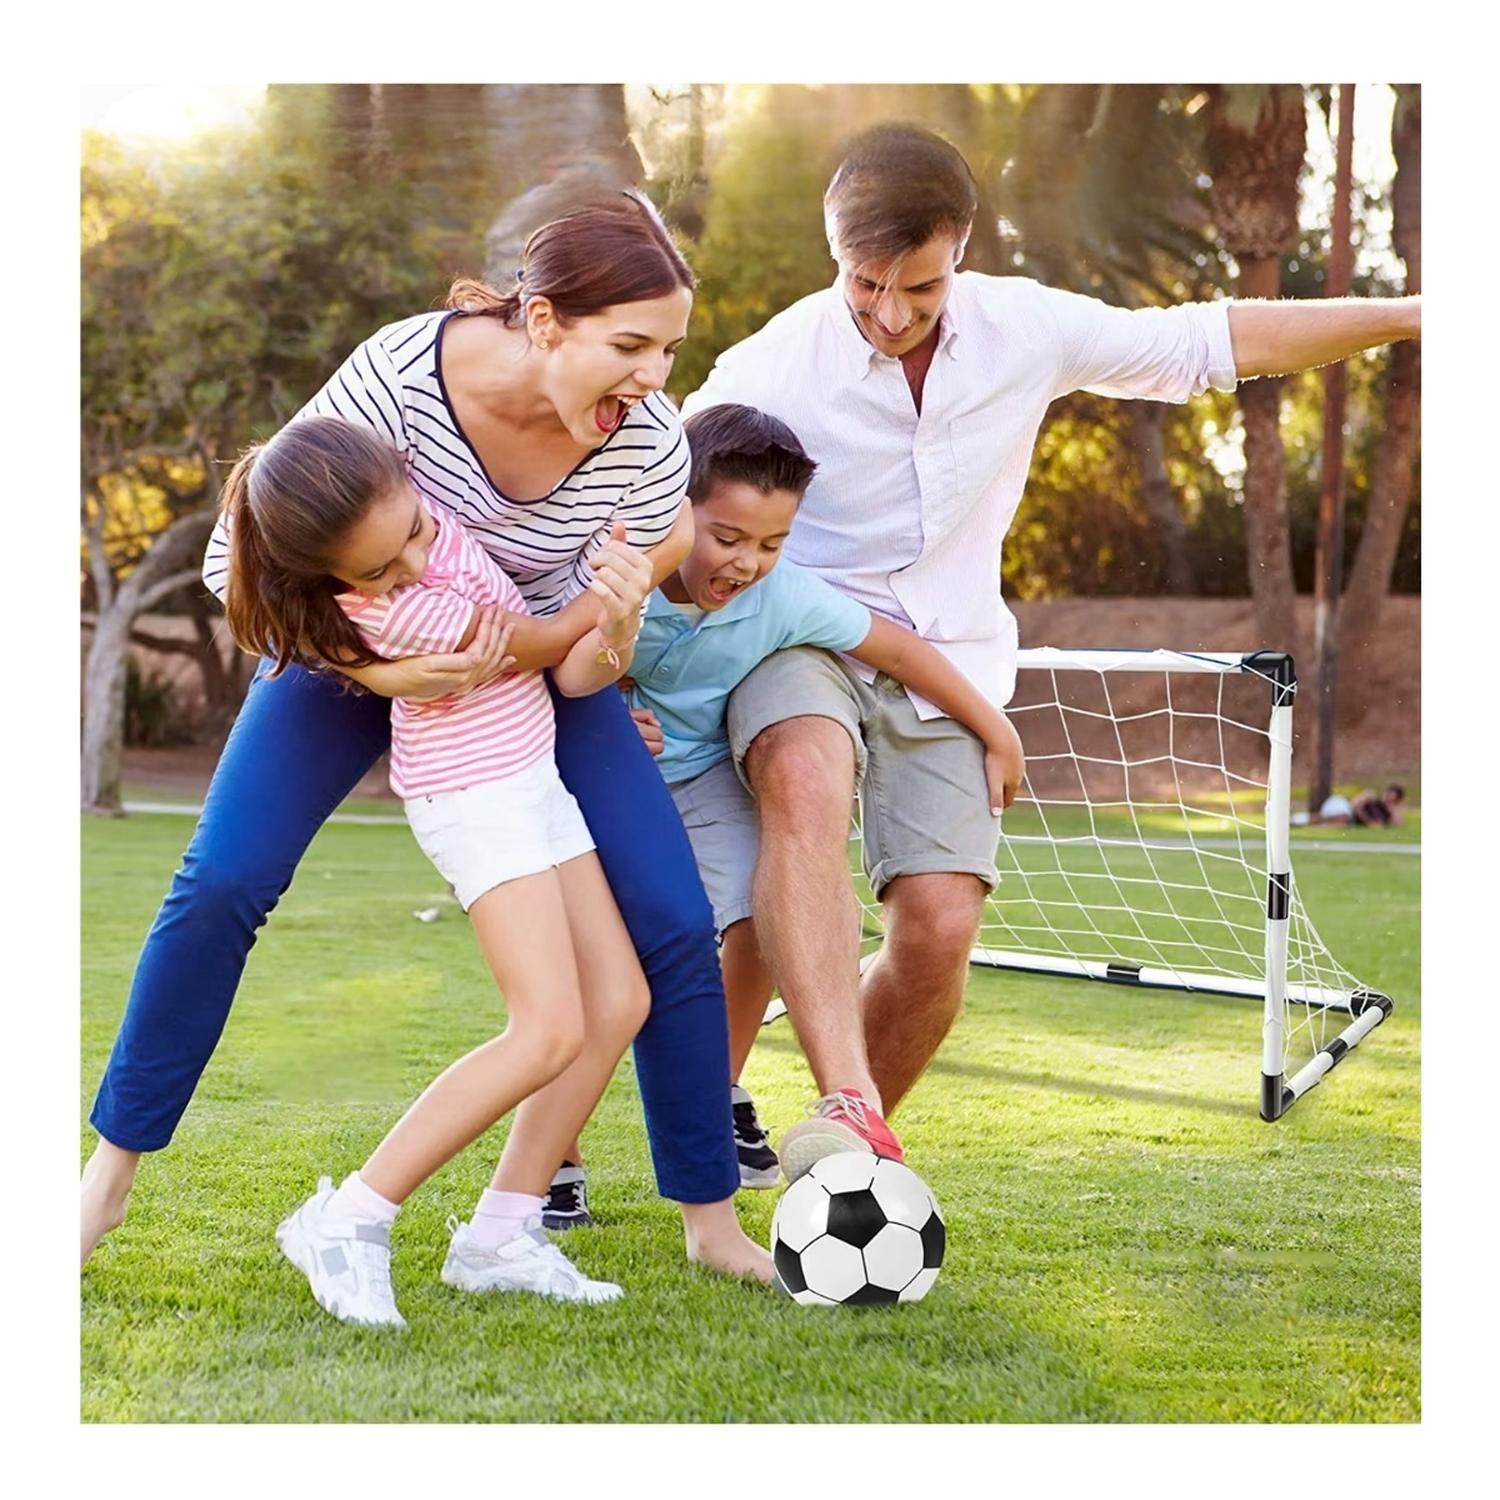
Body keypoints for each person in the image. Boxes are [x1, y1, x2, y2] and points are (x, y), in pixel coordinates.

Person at [680, 122, 1423, 1178]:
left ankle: (838, 1147)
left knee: (936, 930)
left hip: (955, 659)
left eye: (921, 289)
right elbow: (650, 485)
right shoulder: (769, 366)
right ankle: (831, 1095)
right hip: (808, 640)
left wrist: (1413, 315)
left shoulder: (1024, 328)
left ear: (963, 250)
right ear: (832, 253)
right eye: (864, 286)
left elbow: (1214, 340)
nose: (891, 315)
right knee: (802, 773)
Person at [82, 192, 771, 1283]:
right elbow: (236, 569)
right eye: (630, 346)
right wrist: (388, 672)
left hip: (529, 659)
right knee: (222, 881)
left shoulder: (641, 443)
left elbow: (602, 619)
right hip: (344, 652)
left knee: (672, 921)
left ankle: (698, 1221)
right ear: (544, 322)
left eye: (672, 349)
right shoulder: (401, 377)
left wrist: (608, 633)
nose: (655, 380)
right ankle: (106, 1182)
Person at [218, 416, 646, 1325]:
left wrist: (618, 586)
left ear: (412, 483)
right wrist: (620, 580)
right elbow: (532, 643)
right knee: (545, 1030)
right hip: (475, 797)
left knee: (619, 1002)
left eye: (412, 533)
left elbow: (533, 600)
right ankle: (350, 1215)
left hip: (533, 779)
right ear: (334, 580)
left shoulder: (426, 511)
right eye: (374, 572)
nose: (411, 563)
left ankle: (500, 1233)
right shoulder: (403, 609)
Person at [561, 402, 1025, 1193]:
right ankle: (553, 1156)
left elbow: (899, 649)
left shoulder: (782, 599)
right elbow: (547, 670)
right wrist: (602, 719)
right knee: (599, 972)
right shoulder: (610, 571)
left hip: (702, 779)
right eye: (729, 538)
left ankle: (714, 1093)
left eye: (772, 544)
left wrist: (994, 727)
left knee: (760, 919)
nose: (746, 562)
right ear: (676, 510)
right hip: (604, 783)